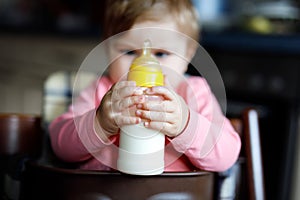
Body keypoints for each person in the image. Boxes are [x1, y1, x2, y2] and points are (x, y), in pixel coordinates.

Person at [49, 0, 241, 172]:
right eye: (130, 51)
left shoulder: (194, 93)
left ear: (188, 54)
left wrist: (186, 125)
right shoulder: (102, 92)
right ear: (108, 50)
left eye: (161, 54)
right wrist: (100, 124)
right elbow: (60, 145)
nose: (145, 62)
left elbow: (227, 155)